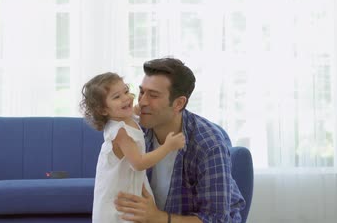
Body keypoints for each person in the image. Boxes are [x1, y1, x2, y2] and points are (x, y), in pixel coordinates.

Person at [114, 58, 246, 223]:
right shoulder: (135, 129)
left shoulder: (208, 145)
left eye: (153, 95)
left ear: (178, 103)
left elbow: (216, 219)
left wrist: (157, 217)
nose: (142, 102)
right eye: (142, 92)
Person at [80, 72, 186, 223]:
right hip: (117, 198)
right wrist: (167, 147)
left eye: (125, 91)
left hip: (130, 185)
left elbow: (136, 110)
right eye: (117, 97)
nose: (126, 98)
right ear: (103, 110)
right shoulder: (121, 132)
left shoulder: (125, 116)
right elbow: (139, 163)